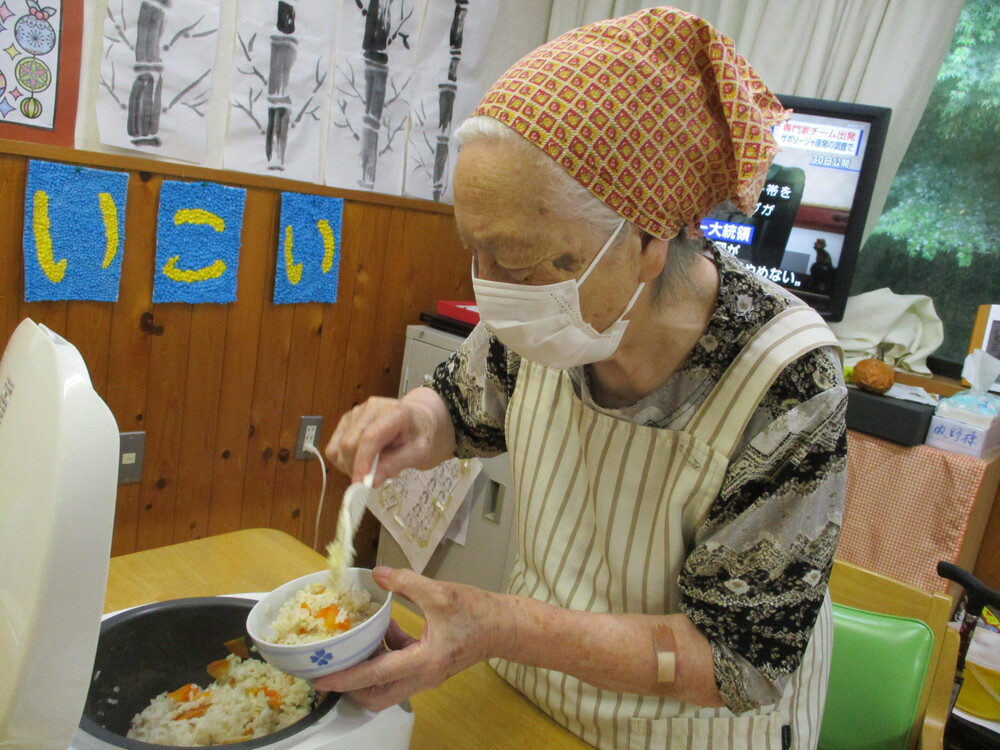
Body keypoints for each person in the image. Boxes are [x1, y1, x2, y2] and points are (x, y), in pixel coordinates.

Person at [319, 8, 846, 749]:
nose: (493, 286)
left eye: (520, 258)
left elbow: (741, 661)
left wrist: (498, 625)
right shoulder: (544, 316)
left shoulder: (786, 381)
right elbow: (463, 406)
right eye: (476, 250)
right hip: (533, 701)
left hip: (694, 733)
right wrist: (414, 418)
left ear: (647, 240)